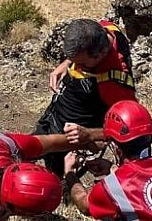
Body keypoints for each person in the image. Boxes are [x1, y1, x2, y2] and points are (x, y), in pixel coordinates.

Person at [63, 101, 152, 220]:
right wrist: (113, 170)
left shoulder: (113, 186)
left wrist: (70, 174)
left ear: (116, 147)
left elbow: (84, 205)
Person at [34, 18, 137, 176]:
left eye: (81, 63)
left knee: (55, 179)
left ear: (100, 54)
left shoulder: (115, 84)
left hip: (70, 138)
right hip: (54, 115)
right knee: (28, 149)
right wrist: (66, 64)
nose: (78, 67)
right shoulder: (106, 30)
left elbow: (128, 128)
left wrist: (91, 135)